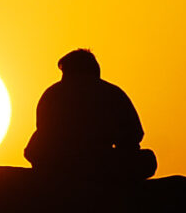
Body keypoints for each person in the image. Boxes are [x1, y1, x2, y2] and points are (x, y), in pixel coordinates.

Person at [25, 49, 157, 181]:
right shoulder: (111, 92)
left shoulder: (52, 93)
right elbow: (133, 136)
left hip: (59, 163)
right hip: (100, 164)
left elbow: (42, 133)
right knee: (147, 158)